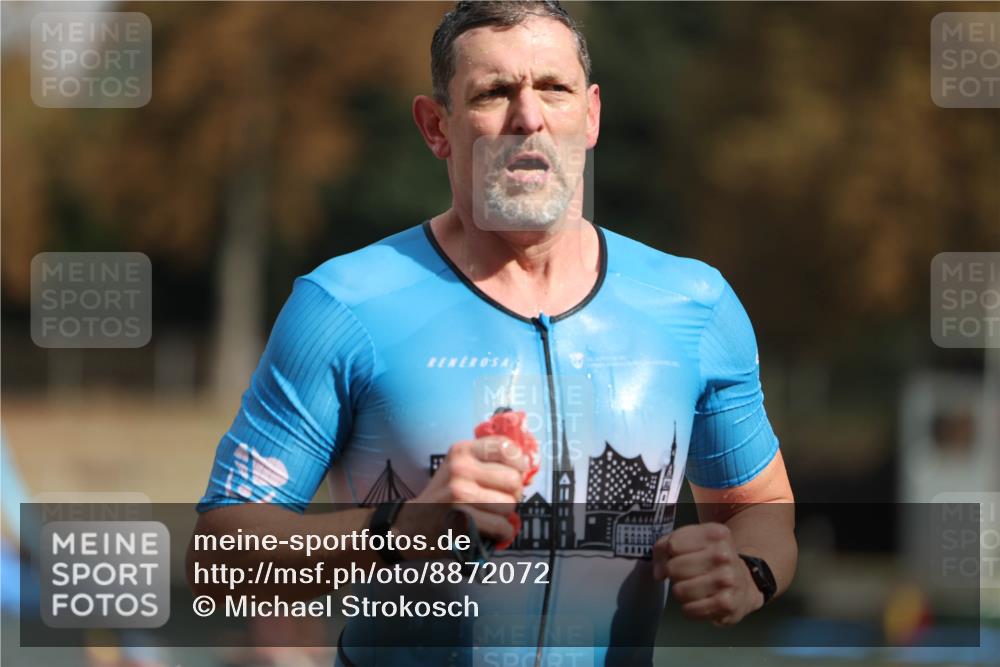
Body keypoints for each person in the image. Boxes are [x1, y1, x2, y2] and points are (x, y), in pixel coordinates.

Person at [188, 2, 796, 665]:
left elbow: (760, 508)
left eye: (553, 89)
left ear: (590, 115)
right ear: (436, 126)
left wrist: (749, 569)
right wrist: (393, 533)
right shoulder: (344, 304)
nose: (528, 117)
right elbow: (216, 558)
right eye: (494, 92)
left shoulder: (694, 303)